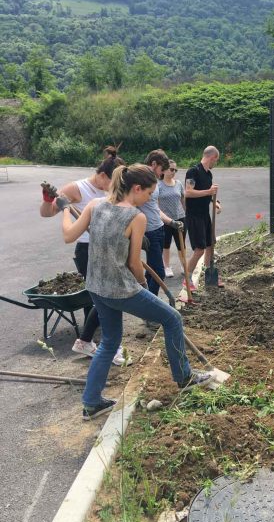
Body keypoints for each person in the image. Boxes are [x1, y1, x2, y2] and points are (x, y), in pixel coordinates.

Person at [56, 164, 212, 420]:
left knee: (109, 342)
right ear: (136, 189)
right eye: (149, 194)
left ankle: (91, 403)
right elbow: (133, 264)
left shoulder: (95, 205)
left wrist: (64, 208)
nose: (150, 199)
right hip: (121, 289)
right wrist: (141, 284)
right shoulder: (136, 217)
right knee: (173, 318)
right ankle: (184, 377)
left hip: (96, 287)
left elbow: (68, 235)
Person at [40, 147, 131, 365]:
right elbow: (47, 212)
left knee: (105, 299)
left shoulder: (113, 190)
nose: (114, 188)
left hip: (110, 248)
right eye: (112, 182)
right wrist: (48, 199)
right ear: (102, 176)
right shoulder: (77, 189)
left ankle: (90, 341)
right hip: (88, 251)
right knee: (105, 298)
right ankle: (104, 345)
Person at [140, 150, 184, 294]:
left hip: (159, 229)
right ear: (153, 164)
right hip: (149, 232)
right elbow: (131, 208)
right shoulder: (140, 180)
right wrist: (139, 233)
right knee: (160, 271)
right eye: (161, 169)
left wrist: (171, 222)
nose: (162, 173)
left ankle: (149, 302)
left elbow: (155, 209)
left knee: (151, 271)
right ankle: (151, 305)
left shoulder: (153, 181)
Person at [184, 145, 223, 289]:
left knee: (210, 245)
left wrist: (215, 202)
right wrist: (208, 192)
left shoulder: (208, 175)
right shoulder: (193, 171)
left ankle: (209, 274)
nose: (215, 163)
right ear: (212, 157)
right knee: (199, 249)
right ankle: (187, 280)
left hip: (205, 215)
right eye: (216, 160)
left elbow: (209, 194)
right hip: (194, 216)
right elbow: (188, 192)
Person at [158, 159, 186, 277]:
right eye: (171, 169)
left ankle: (183, 264)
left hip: (180, 218)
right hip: (166, 220)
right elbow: (156, 203)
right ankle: (167, 266)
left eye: (175, 170)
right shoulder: (158, 185)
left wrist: (186, 213)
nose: (173, 172)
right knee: (166, 244)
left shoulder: (178, 184)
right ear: (164, 170)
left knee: (181, 244)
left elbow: (183, 200)